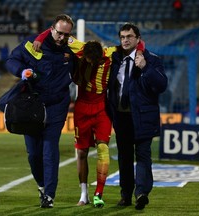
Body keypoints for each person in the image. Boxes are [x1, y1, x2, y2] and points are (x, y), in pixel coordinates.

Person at [33, 30, 145, 208]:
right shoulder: (79, 48)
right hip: (82, 109)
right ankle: (84, 194)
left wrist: (139, 52)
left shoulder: (110, 52)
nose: (92, 64)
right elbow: (54, 31)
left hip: (102, 108)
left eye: (96, 61)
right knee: (82, 152)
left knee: (103, 149)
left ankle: (98, 193)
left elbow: (139, 43)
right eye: (89, 61)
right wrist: (39, 39)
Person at [5, 14, 75, 208]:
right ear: (51, 29)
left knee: (49, 147)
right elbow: (12, 60)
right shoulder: (32, 44)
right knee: (33, 154)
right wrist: (21, 71)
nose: (61, 37)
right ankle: (42, 185)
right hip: (32, 105)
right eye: (59, 33)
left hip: (57, 105)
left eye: (65, 34)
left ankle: (49, 195)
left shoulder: (72, 49)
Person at [107, 23, 168, 210]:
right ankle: (126, 195)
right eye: (122, 37)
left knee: (143, 155)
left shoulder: (151, 60)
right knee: (124, 158)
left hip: (142, 117)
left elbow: (162, 85)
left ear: (138, 39)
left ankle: (141, 193)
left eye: (129, 37)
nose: (125, 40)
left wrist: (145, 68)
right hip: (121, 117)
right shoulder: (114, 59)